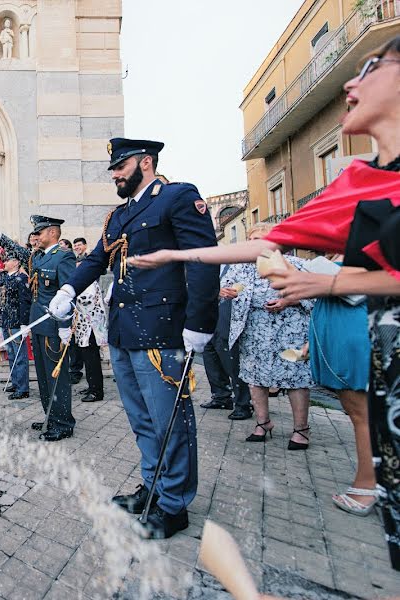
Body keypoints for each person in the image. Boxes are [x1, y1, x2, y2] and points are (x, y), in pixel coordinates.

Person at [127, 35, 400, 565]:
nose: (349, 81)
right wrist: (175, 257)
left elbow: (339, 277)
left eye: (370, 66)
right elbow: (261, 245)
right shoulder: (360, 180)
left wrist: (329, 284)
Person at [47, 138, 219, 539]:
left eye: (120, 166)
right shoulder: (118, 216)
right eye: (112, 168)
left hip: (163, 330)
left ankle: (174, 504)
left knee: (170, 419)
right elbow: (96, 259)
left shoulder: (176, 197)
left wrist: (200, 320)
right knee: (142, 420)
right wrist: (69, 289)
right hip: (124, 331)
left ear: (146, 161)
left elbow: (204, 259)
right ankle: (153, 487)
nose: (114, 174)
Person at [0, 215, 77, 442]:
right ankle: (51, 416)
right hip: (38, 324)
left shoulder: (63, 257)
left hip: (53, 327)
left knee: (56, 377)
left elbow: (70, 292)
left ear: (52, 232)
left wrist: (64, 326)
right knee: (42, 376)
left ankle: (63, 423)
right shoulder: (38, 257)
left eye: (39, 233)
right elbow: (18, 251)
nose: (35, 237)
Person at [221, 224, 315, 448]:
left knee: (296, 378)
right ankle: (263, 423)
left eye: (260, 239)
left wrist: (288, 301)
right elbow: (224, 288)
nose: (255, 244)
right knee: (255, 378)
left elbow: (316, 296)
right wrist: (224, 292)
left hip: (291, 332)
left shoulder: (296, 265)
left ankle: (301, 429)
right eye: (252, 239)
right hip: (254, 332)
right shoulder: (241, 268)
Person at [305, 256, 374, 515]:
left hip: (354, 330)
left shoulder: (363, 250)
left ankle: (368, 484)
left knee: (362, 414)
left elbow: (359, 289)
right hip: (340, 329)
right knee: (358, 411)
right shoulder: (338, 254)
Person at [200, 264, 253, 421]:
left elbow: (247, 289)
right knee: (209, 353)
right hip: (209, 314)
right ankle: (221, 396)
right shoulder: (208, 266)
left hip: (229, 313)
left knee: (230, 357)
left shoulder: (240, 266)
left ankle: (243, 404)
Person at [0, 256, 31, 399]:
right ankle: (16, 382)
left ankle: (23, 388)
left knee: (20, 356)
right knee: (11, 355)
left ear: (16, 262)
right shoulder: (5, 277)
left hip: (16, 321)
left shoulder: (22, 278)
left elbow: (24, 301)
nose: (4, 263)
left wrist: (24, 322)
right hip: (6, 320)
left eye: (8, 260)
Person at [73, 280, 107, 403]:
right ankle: (91, 386)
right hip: (84, 327)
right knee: (87, 359)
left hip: (92, 327)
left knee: (92, 360)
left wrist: (71, 296)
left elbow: (86, 299)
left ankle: (96, 391)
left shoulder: (89, 281)